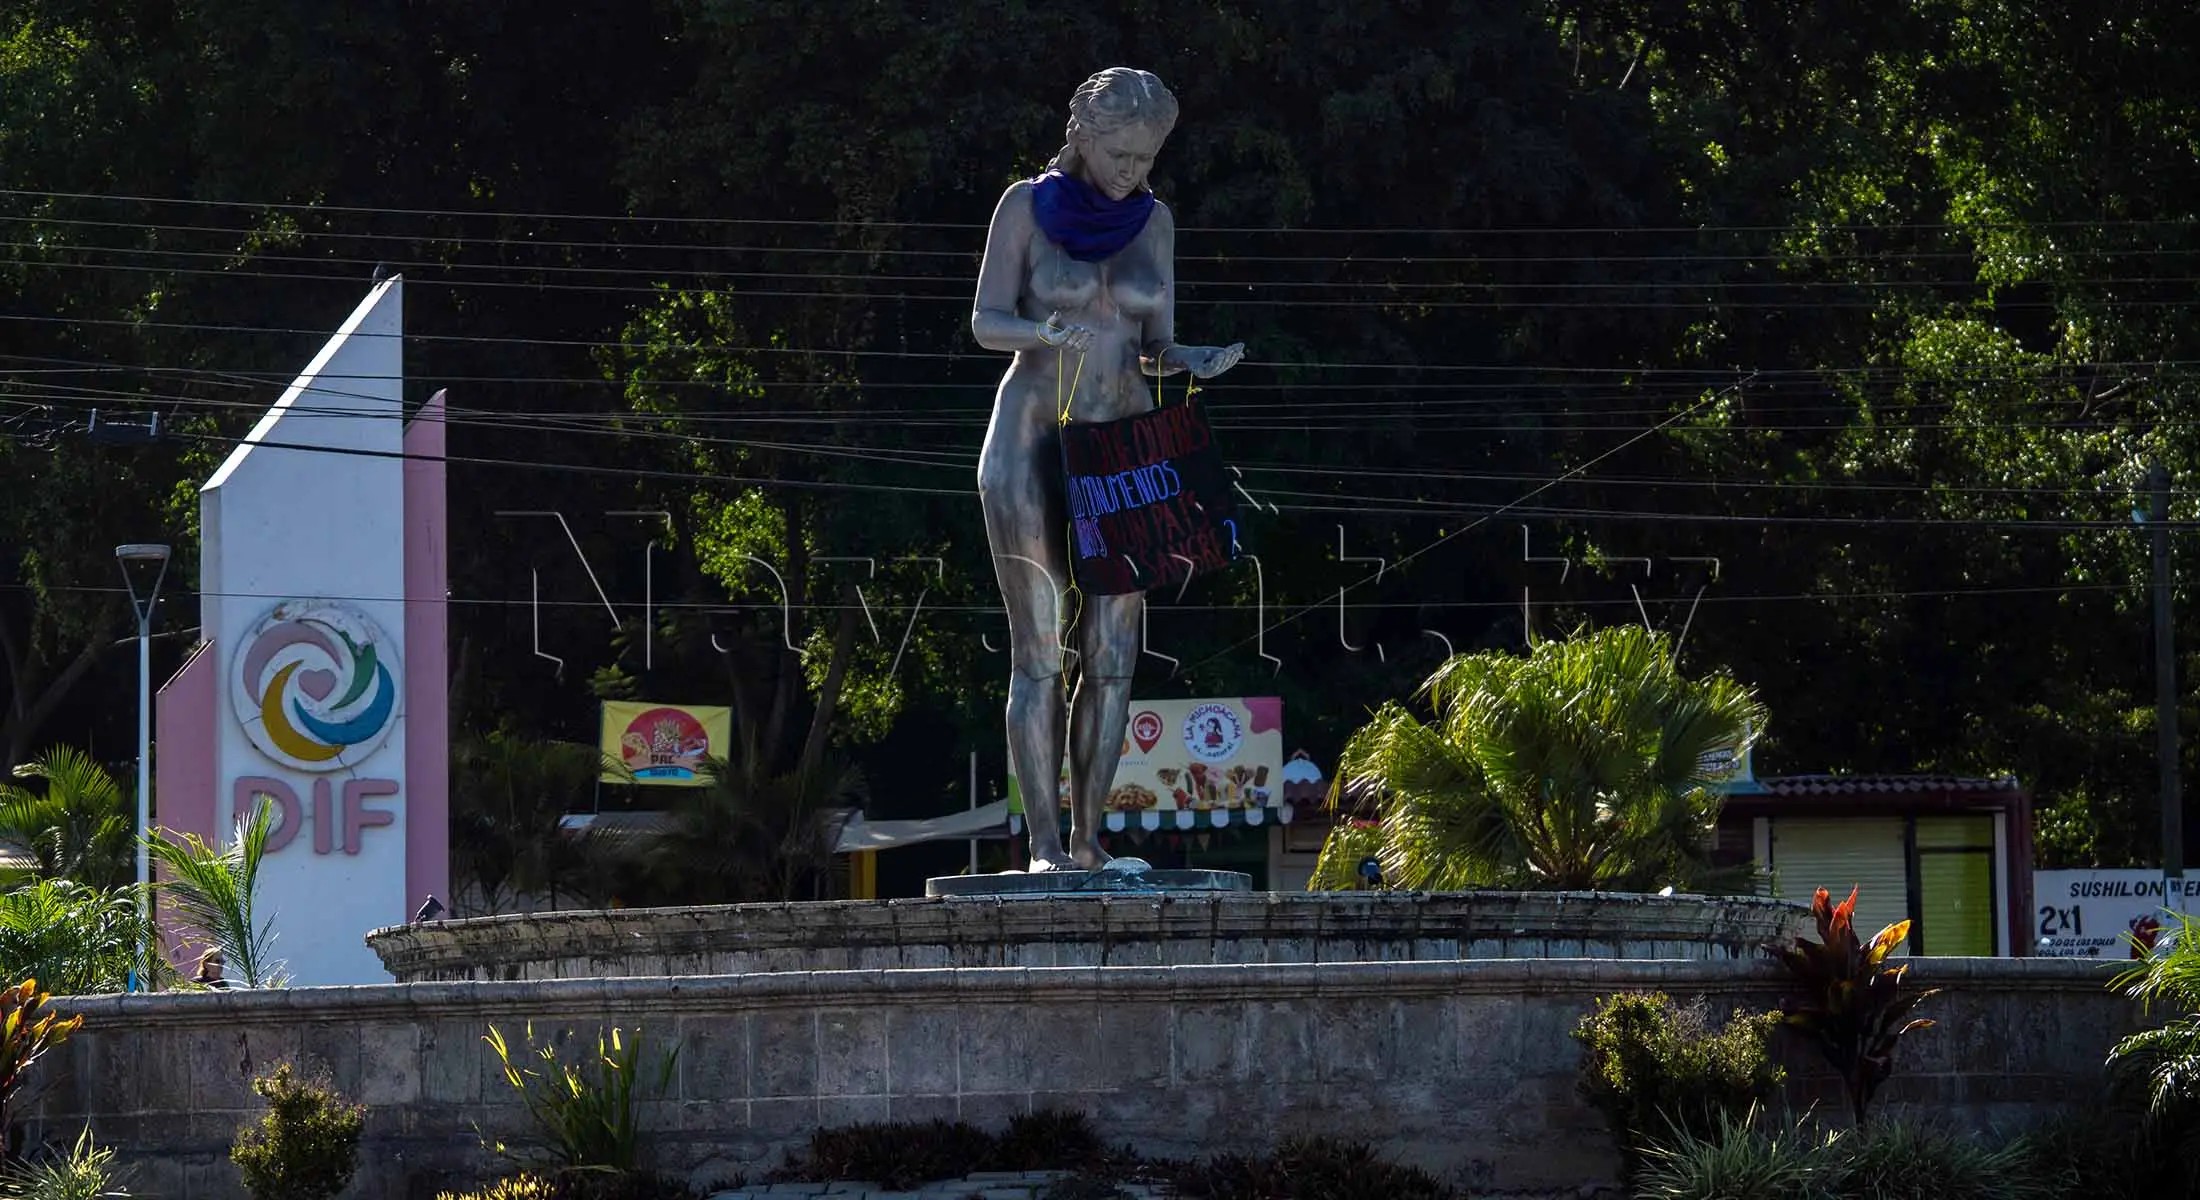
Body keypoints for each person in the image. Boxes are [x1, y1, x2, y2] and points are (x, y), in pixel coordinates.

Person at [972, 68, 1245, 871]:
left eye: (1145, 156)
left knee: (1117, 652)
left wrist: (1192, 356)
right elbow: (985, 319)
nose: (1131, 170)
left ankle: (1089, 838)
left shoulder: (1153, 222)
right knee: (1038, 650)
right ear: (1082, 136)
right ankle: (1045, 846)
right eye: (1118, 152)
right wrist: (1042, 333)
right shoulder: (1025, 207)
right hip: (1029, 439)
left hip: (1122, 451)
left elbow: (1156, 343)